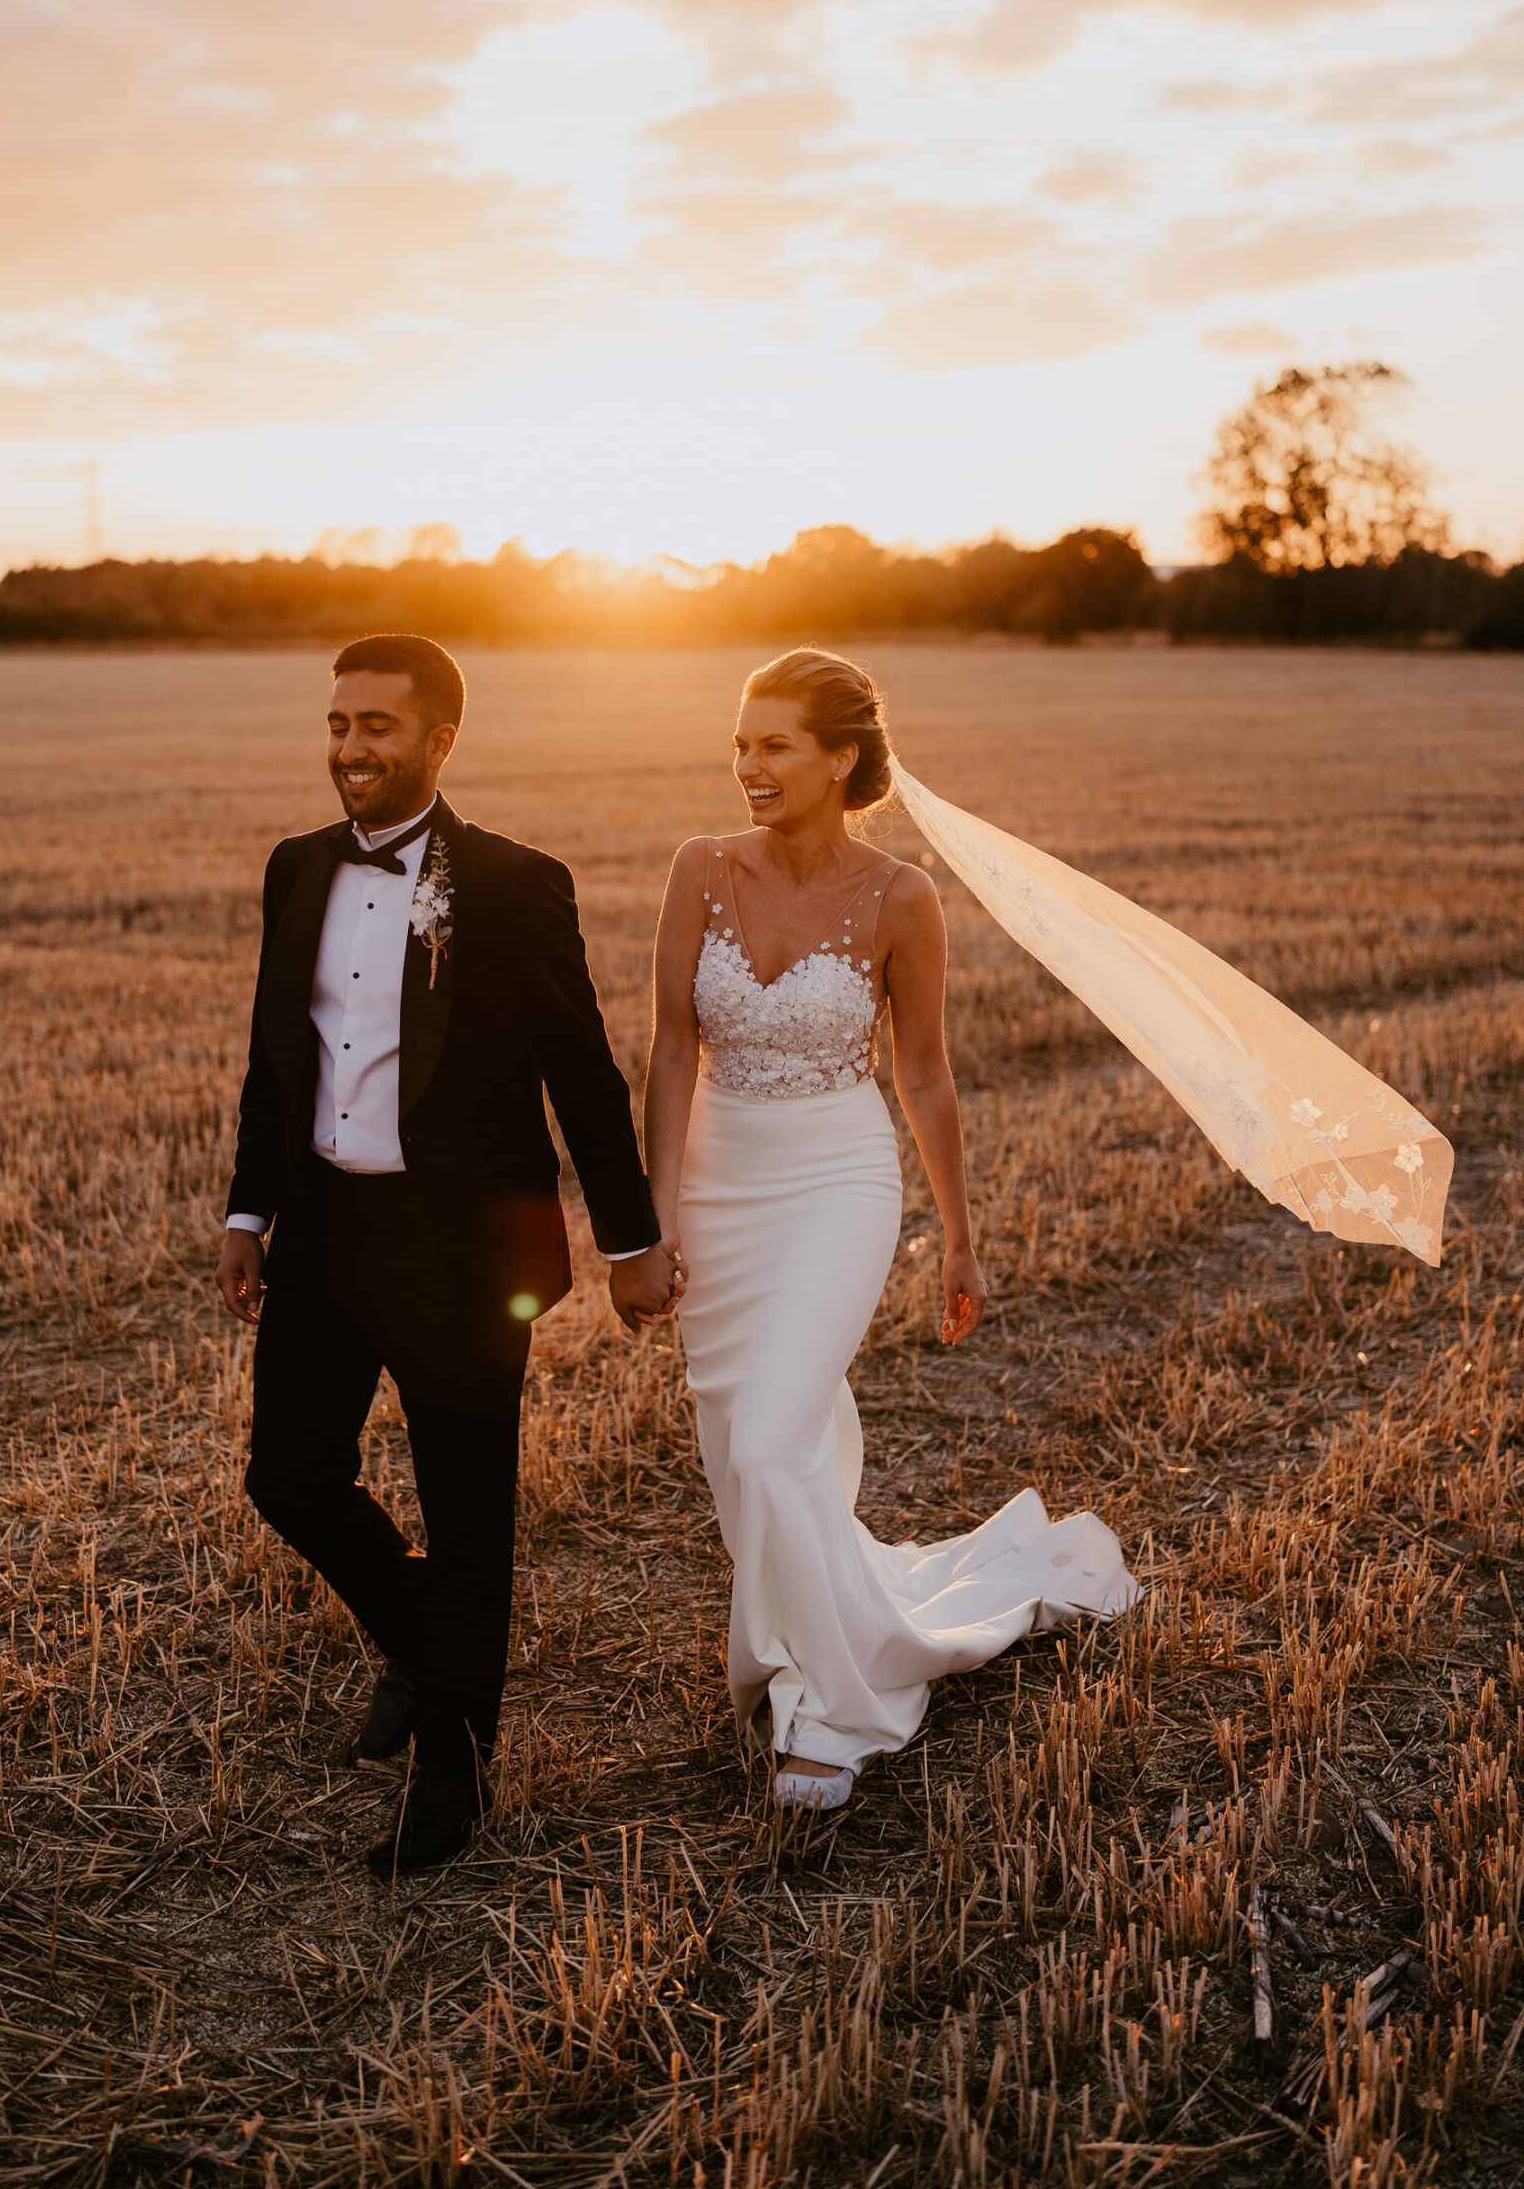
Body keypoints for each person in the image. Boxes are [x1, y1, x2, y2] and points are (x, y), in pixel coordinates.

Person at [216, 634, 681, 1872]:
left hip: (467, 1254)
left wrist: (633, 1239)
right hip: (323, 1234)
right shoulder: (295, 870)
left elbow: (584, 1078)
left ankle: (453, 1783)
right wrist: (249, 1213)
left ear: (439, 740)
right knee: (289, 1477)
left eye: (375, 725)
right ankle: (431, 1643)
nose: (349, 748)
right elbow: (278, 1058)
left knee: (471, 1516)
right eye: (336, 724)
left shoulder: (515, 885)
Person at [644, 649, 1136, 1810]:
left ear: (840, 758)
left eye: (773, 745)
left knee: (771, 1438)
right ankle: (800, 1633)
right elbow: (669, 1050)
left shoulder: (901, 898)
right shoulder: (698, 870)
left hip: (837, 1182)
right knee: (741, 1453)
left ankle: (842, 1702)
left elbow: (926, 1077)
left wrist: (959, 1237)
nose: (746, 765)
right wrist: (654, 1215)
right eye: (740, 742)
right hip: (717, 1183)